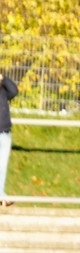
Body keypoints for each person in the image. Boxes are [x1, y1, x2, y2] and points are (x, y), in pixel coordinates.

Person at [0, 71, 18, 208]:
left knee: (2, 166)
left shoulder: (3, 90)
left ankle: (1, 194)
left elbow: (14, 91)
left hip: (4, 132)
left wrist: (4, 79)